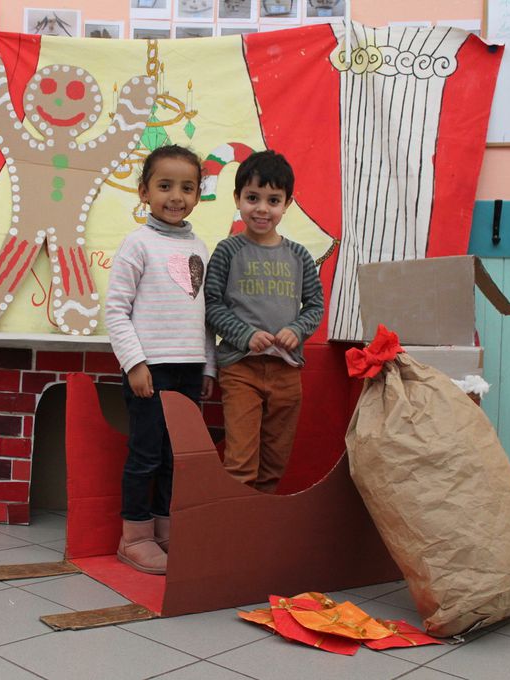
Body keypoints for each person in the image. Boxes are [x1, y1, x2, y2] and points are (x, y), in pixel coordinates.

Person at [106, 144, 216, 575]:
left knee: (176, 455)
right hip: (150, 370)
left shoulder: (201, 246)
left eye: (187, 188)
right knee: (147, 454)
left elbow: (204, 314)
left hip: (189, 371)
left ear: (198, 194)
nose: (176, 196)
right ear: (143, 191)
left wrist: (208, 366)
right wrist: (134, 364)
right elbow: (116, 309)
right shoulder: (137, 244)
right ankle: (135, 536)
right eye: (165, 185)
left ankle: (165, 529)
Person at [204, 150, 324, 493]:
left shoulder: (299, 255)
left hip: (287, 372)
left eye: (273, 200)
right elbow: (211, 305)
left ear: (287, 203)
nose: (262, 208)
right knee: (241, 461)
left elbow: (315, 305)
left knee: (275, 460)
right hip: (241, 369)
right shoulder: (228, 251)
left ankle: (260, 528)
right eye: (252, 198)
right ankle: (235, 534)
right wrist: (244, 334)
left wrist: (297, 330)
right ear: (237, 199)